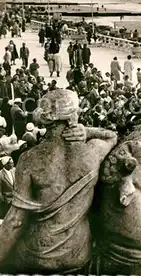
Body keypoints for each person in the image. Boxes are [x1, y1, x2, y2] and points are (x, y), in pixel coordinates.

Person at [0, 89, 118, 274]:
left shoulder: (29, 159)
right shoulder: (92, 152)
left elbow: (16, 221)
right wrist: (87, 131)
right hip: (77, 252)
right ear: (72, 118)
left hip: (38, 254)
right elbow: (112, 136)